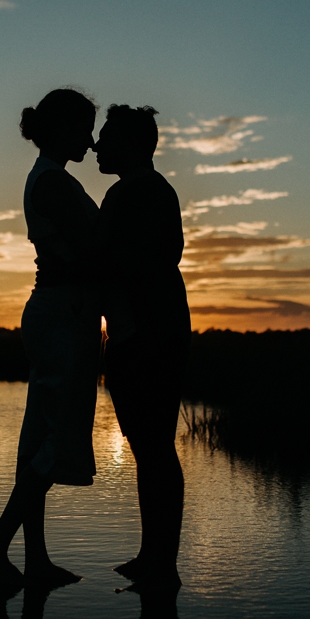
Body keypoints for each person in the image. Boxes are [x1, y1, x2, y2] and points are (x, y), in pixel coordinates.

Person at [0, 88, 102, 589]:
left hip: (60, 311)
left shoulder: (51, 179)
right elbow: (94, 252)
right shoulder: (54, 184)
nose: (90, 143)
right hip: (64, 314)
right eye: (84, 131)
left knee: (39, 441)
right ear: (62, 130)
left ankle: (37, 561)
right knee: (53, 439)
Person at [94, 104, 190, 591]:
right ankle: (152, 555)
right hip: (144, 334)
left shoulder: (143, 191)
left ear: (132, 144)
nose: (95, 145)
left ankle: (163, 566)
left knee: (155, 448)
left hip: (149, 337)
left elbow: (152, 258)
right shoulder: (136, 191)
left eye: (106, 137)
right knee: (148, 448)